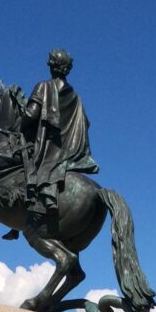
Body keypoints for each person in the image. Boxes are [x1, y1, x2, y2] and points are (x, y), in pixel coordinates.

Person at [20, 49, 99, 221]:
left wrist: (20, 123)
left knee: (19, 161)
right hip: (69, 152)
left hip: (49, 150)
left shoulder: (44, 87)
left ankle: (31, 200)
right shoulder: (76, 97)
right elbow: (85, 122)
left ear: (52, 66)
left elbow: (31, 115)